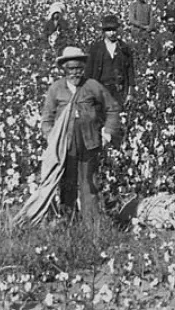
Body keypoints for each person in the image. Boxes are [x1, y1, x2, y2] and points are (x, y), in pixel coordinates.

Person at [40, 47, 124, 223]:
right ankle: (68, 220)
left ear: (83, 68)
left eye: (78, 68)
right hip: (65, 144)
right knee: (67, 183)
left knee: (89, 184)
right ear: (65, 69)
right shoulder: (56, 89)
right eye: (71, 69)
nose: (75, 72)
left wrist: (108, 131)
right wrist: (51, 138)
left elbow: (113, 108)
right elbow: (47, 117)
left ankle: (91, 224)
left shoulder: (92, 85)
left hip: (90, 142)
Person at [86, 14, 135, 105]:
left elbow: (130, 71)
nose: (112, 33)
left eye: (114, 30)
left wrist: (130, 93)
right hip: (100, 90)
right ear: (104, 31)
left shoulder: (124, 48)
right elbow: (89, 71)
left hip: (119, 91)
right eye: (108, 30)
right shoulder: (96, 48)